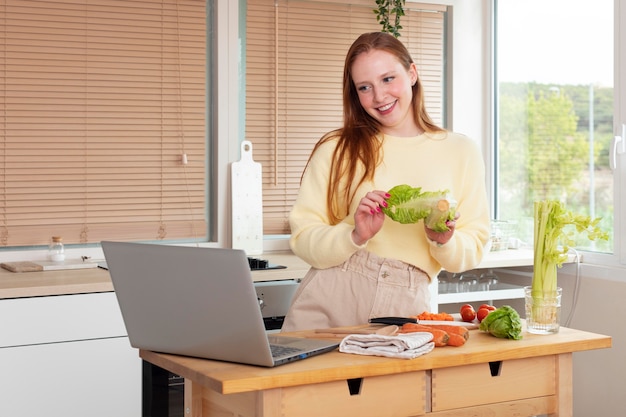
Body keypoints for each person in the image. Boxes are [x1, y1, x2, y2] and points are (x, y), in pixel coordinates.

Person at [281, 32, 490, 332]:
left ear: (412, 73)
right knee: (306, 382)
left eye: (388, 79)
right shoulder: (336, 148)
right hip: (331, 293)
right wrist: (354, 235)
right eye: (365, 87)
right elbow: (303, 237)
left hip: (405, 304)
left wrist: (443, 240)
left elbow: (474, 245)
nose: (379, 96)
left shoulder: (461, 151)